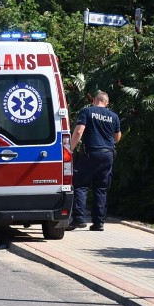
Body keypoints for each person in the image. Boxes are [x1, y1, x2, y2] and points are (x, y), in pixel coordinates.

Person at [68, 91, 122, 232]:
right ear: (107, 102)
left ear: (94, 101)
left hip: (90, 153)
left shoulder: (87, 111)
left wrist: (69, 149)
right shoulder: (114, 116)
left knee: (80, 185)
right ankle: (98, 223)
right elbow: (117, 138)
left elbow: (79, 132)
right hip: (108, 155)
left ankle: (79, 219)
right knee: (101, 189)